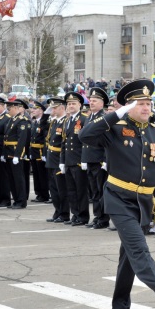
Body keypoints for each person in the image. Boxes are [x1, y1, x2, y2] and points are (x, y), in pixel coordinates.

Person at [79, 79, 155, 309]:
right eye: (140, 103)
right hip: (118, 197)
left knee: (128, 259)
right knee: (138, 249)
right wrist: (116, 113)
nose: (147, 107)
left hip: (145, 202)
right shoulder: (114, 127)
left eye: (149, 103)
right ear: (128, 106)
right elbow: (85, 135)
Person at [82, 87, 111, 230]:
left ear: (102, 103)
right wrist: (83, 158)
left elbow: (107, 141)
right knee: (94, 191)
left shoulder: (104, 118)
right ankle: (97, 216)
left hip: (99, 159)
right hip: (90, 158)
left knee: (100, 191)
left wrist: (106, 159)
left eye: (94, 101)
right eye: (90, 100)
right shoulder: (89, 118)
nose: (91, 103)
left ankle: (103, 218)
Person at [60, 92, 89, 226]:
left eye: (73, 104)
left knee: (81, 190)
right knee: (71, 190)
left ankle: (83, 216)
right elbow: (64, 143)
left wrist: (84, 159)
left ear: (80, 105)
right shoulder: (67, 120)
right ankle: (75, 214)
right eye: (69, 104)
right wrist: (62, 161)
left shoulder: (84, 119)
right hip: (68, 160)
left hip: (78, 160)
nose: (71, 106)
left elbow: (86, 142)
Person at [44, 97, 70, 223]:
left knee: (61, 189)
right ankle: (57, 211)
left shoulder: (66, 121)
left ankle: (64, 213)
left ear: (61, 108)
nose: (52, 110)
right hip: (51, 158)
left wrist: (63, 161)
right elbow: (48, 139)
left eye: (55, 108)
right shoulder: (54, 122)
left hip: (59, 158)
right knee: (53, 189)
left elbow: (64, 142)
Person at [3, 98, 30, 209]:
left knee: (18, 178)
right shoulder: (11, 120)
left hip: (15, 153)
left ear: (15, 108)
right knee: (11, 178)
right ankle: (16, 199)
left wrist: (18, 155)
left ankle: (21, 201)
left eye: (9, 108)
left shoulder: (22, 120)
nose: (8, 110)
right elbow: (6, 138)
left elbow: (22, 140)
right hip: (8, 152)